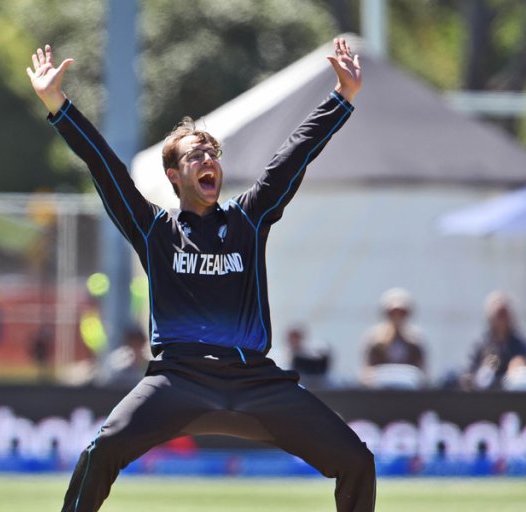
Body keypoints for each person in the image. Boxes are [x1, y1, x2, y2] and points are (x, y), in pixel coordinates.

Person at [27, 38, 374, 511]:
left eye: (212, 153)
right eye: (195, 155)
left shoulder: (248, 220)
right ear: (174, 175)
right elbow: (104, 166)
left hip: (255, 381)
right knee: (101, 451)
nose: (208, 160)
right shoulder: (154, 229)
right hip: (178, 378)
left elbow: (294, 155)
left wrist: (342, 97)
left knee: (356, 460)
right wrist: (57, 104)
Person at [360, 287, 427, 387]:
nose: (397, 317)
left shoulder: (415, 339)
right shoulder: (374, 338)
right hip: (379, 392)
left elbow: (422, 371)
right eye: (393, 313)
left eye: (401, 313)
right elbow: (366, 369)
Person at [461, 291, 526, 390]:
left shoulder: (519, 345)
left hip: (513, 399)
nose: (502, 320)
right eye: (499, 315)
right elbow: (467, 375)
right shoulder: (481, 345)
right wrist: (484, 371)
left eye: (505, 314)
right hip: (485, 399)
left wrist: (519, 368)